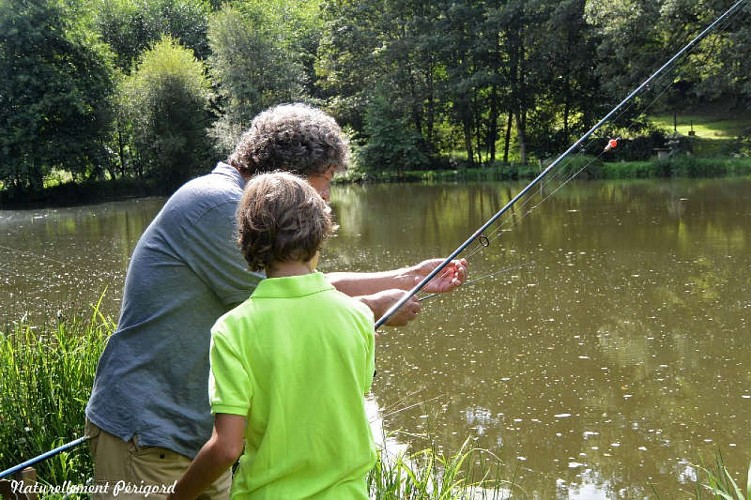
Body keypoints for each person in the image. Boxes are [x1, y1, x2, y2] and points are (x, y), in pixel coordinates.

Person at [85, 103, 467, 498]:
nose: (327, 194)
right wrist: (374, 308)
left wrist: (409, 278)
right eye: (327, 178)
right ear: (289, 176)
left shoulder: (237, 203)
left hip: (200, 443)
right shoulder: (218, 204)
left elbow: (300, 284)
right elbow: (294, 303)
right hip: (150, 437)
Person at [169, 171, 377, 499]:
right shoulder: (359, 316)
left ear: (249, 242)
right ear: (319, 232)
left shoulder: (233, 329)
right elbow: (352, 395)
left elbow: (226, 448)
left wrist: (177, 495)